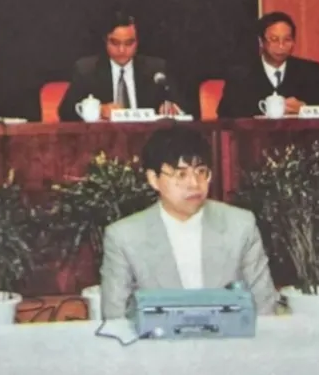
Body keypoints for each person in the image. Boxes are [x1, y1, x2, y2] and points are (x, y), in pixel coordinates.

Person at [99, 127, 278, 319]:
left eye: (201, 172)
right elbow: (115, 319)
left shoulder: (240, 225)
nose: (194, 184)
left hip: (230, 338)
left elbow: (265, 310)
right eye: (181, 174)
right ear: (153, 179)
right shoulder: (124, 237)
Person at [58, 12, 186, 121]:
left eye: (129, 43)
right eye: (115, 43)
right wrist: (98, 110)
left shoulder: (156, 70)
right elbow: (66, 112)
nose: (122, 50)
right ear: (105, 41)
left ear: (137, 42)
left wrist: (173, 109)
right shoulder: (87, 70)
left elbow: (182, 106)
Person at [217, 11, 319, 117]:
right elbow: (225, 113)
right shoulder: (241, 74)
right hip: (255, 136)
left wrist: (304, 109)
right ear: (261, 42)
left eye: (287, 40)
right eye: (274, 40)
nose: (281, 46)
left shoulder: (308, 71)